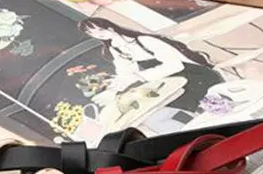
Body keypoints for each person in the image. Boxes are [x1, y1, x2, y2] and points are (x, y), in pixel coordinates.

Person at [78, 17, 223, 114]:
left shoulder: (144, 40)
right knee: (158, 99)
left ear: (110, 27)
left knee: (184, 97)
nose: (100, 35)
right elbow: (125, 71)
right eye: (93, 33)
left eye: (100, 30)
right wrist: (113, 88)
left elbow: (175, 65)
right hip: (167, 79)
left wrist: (140, 76)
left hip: (190, 73)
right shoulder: (114, 48)